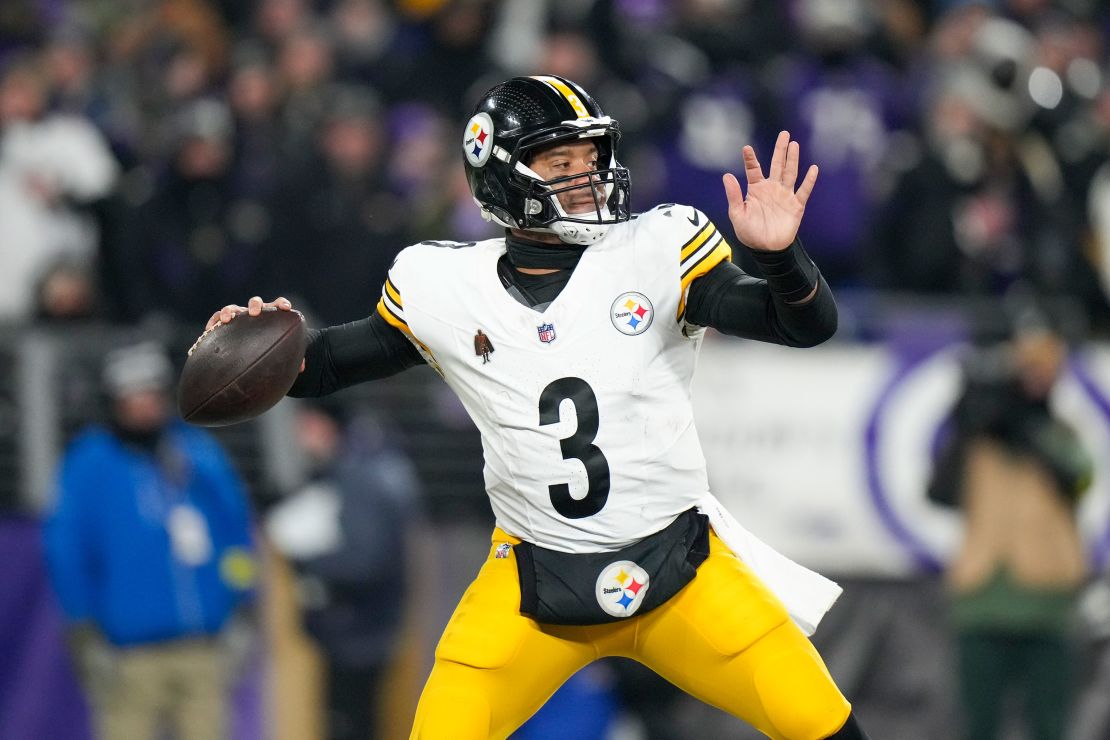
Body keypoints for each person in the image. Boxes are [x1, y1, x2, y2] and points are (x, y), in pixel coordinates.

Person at [205, 75, 868, 739]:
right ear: (503, 178)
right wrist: (263, 345)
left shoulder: (658, 248)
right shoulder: (444, 286)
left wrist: (781, 259)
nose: (588, 177)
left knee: (822, 724)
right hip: (533, 583)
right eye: (561, 164)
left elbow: (803, 325)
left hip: (682, 568)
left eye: (591, 160)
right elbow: (322, 364)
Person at [43, 341, 257, 740]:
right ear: (113, 401)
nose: (143, 405)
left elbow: (235, 537)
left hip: (202, 648)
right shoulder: (89, 462)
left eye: (151, 394)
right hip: (129, 655)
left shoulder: (197, 453)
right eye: (132, 396)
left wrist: (242, 603)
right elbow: (67, 552)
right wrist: (84, 629)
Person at [928, 319, 1093, 740]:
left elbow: (1079, 478)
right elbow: (938, 492)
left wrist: (1028, 429)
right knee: (977, 724)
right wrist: (966, 420)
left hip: (1047, 602)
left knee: (1049, 723)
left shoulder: (1063, 433)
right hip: (981, 599)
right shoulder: (980, 440)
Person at [265, 401, 421, 740]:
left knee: (352, 724)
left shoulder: (358, 477)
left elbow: (364, 561)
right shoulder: (351, 471)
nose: (300, 437)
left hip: (360, 631)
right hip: (356, 630)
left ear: (327, 427)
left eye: (307, 427)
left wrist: (308, 561)